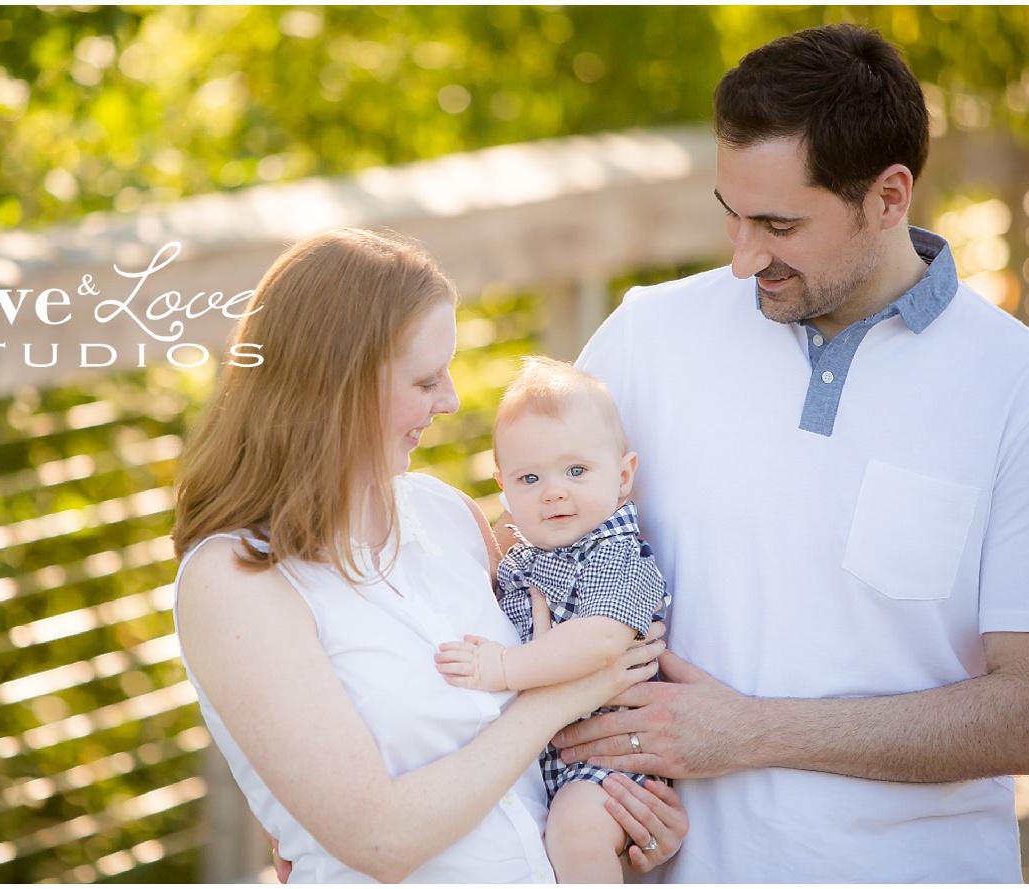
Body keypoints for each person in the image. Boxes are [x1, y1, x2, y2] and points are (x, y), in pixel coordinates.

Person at [541, 23, 1029, 883]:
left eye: (778, 224)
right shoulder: (646, 335)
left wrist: (750, 730)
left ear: (888, 196)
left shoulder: (1027, 393)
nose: (742, 259)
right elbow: (521, 562)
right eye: (731, 215)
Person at [172, 227, 689, 883]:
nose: (448, 401)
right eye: (423, 379)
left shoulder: (449, 515)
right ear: (336, 383)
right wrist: (558, 697)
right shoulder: (235, 581)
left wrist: (628, 826)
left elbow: (529, 770)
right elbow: (382, 838)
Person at [434, 356, 670, 883]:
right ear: (503, 487)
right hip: (541, 758)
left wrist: (503, 668)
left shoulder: (614, 554)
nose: (554, 491)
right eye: (530, 477)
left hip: (608, 754)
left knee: (576, 839)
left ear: (624, 474)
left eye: (577, 471)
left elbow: (601, 641)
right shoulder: (518, 557)